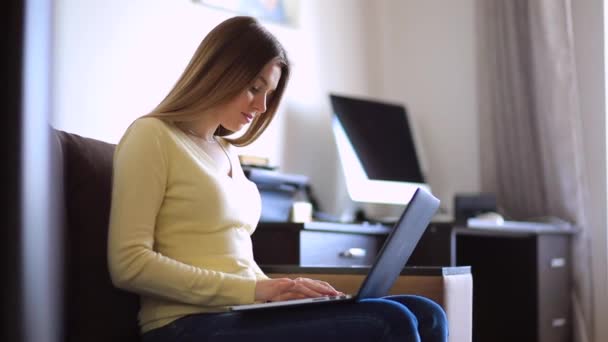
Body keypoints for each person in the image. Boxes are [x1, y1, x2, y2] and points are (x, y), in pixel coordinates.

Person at [108, 16, 448, 342]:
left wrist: (286, 290)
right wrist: (256, 290)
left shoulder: (225, 151)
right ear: (219, 71)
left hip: (240, 311)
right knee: (391, 320)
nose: (261, 106)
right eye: (254, 88)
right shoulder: (151, 136)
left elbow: (233, 257)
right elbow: (129, 264)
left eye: (267, 93)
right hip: (184, 325)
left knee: (428, 312)